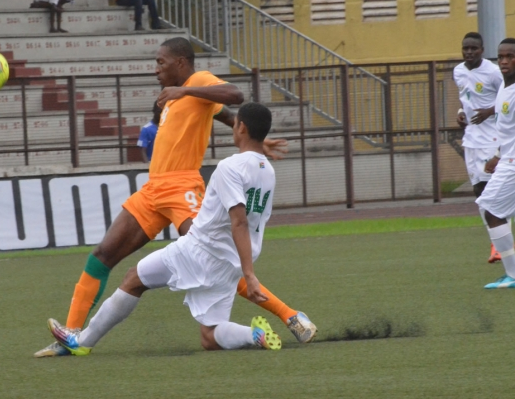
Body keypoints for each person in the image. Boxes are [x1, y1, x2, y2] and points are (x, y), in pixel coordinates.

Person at [34, 37, 315, 358]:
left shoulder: (196, 82)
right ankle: (70, 337)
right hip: (154, 189)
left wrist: (186, 91)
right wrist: (255, 142)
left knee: (214, 256)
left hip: (182, 188)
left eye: (161, 62)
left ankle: (289, 315)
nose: (156, 70)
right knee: (102, 254)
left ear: (180, 63)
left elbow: (234, 95)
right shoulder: (174, 98)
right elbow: (223, 113)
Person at [47, 102, 283, 354]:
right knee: (210, 337)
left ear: (242, 127)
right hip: (230, 261)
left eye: (235, 123)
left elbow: (239, 221)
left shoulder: (230, 167)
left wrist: (250, 275)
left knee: (133, 280)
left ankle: (81, 343)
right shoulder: (267, 170)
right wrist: (245, 268)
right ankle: (253, 334)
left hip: (200, 250)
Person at [475, 38, 515, 289]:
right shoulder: (505, 87)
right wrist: (498, 154)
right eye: (501, 57)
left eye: (510, 56)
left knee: (493, 212)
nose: (504, 61)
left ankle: (514, 277)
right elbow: (510, 130)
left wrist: (508, 157)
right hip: (512, 158)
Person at [453, 32, 504, 263]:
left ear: (482, 50)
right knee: (479, 194)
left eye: (474, 48)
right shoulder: (458, 71)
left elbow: (508, 98)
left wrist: (489, 111)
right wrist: (461, 113)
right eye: (466, 48)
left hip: (492, 139)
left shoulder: (493, 72)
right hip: (471, 140)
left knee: (493, 194)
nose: (469, 52)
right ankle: (496, 241)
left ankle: (500, 243)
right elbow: (465, 99)